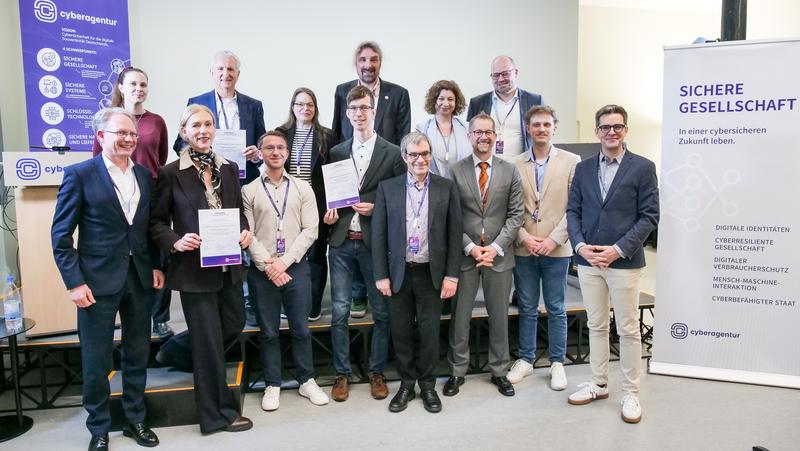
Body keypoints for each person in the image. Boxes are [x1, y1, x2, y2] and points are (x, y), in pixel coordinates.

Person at [52, 108, 162, 451]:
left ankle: (135, 419)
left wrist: (156, 266)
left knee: (137, 352)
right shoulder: (79, 175)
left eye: (132, 134)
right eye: (121, 133)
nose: (129, 139)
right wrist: (74, 282)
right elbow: (61, 237)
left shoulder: (143, 175)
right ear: (101, 136)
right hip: (95, 282)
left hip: (139, 278)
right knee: (96, 358)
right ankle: (98, 427)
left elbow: (146, 229)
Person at [150, 104, 254, 434]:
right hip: (194, 270)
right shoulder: (170, 173)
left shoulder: (228, 168)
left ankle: (175, 351)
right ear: (184, 132)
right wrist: (175, 241)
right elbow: (155, 223)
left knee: (234, 323)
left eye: (208, 124)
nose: (203, 130)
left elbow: (237, 213)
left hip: (228, 266)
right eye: (195, 125)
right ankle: (216, 416)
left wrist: (244, 231)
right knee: (208, 343)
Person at [566, 104, 659, 424]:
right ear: (597, 131)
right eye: (605, 127)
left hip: (624, 262)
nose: (611, 132)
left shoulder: (643, 167)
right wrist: (580, 246)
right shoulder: (583, 168)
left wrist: (618, 250)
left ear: (626, 130)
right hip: (589, 259)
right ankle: (599, 383)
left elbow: (650, 216)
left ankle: (631, 392)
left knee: (628, 329)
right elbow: (573, 211)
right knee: (596, 325)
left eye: (617, 126)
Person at [323, 85, 405, 402]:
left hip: (375, 244)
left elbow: (401, 200)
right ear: (347, 113)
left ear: (374, 111)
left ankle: (376, 371)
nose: (359, 113)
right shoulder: (336, 152)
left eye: (364, 108)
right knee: (340, 312)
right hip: (341, 242)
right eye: (354, 108)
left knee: (382, 312)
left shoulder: (393, 152)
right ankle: (342, 373)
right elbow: (328, 196)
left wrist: (378, 209)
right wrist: (329, 214)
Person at [372, 132, 463, 413]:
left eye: (425, 153)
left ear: (430, 155)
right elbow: (378, 234)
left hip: (431, 274)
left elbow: (455, 234)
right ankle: (406, 384)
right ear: (404, 157)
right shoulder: (388, 188)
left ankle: (427, 385)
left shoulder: (446, 187)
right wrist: (381, 275)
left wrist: (452, 276)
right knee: (401, 332)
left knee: (429, 332)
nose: (420, 159)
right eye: (413, 154)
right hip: (398, 274)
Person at [243, 130, 329, 411]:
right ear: (260, 153)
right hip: (262, 270)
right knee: (268, 332)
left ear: (287, 153)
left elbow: (311, 230)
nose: (276, 152)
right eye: (269, 148)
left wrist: (284, 262)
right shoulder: (249, 191)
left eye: (281, 147)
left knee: (301, 329)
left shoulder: (303, 188)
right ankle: (273, 384)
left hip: (296, 268)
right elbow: (247, 233)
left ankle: (307, 380)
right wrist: (269, 265)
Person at [445, 113, 524, 397]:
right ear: (469, 136)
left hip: (498, 256)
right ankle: (457, 371)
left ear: (495, 136)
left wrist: (494, 248)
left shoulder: (510, 171)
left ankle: (500, 371)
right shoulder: (455, 171)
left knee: (499, 317)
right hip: (465, 256)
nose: (483, 137)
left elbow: (516, 216)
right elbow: (450, 216)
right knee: (460, 318)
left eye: (488, 132)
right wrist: (470, 247)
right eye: (477, 132)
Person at [92, 66, 173, 339]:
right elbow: (97, 159)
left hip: (151, 195)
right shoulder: (107, 119)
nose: (139, 89)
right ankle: (122, 313)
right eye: (133, 84)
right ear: (121, 87)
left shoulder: (156, 121)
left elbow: (160, 158)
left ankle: (160, 318)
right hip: (118, 198)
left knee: (158, 255)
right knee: (126, 255)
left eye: (143, 85)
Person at [332, 41, 411, 318]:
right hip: (349, 172)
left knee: (375, 241)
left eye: (373, 59)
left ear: (380, 62)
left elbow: (403, 136)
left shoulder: (398, 93)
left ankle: (375, 293)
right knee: (349, 232)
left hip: (383, 170)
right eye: (363, 60)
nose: (368, 64)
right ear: (356, 63)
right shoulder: (342, 91)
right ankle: (357, 295)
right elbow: (337, 132)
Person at [506, 106, 580, 390]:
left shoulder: (571, 162)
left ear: (554, 128)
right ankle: (526, 359)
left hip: (556, 248)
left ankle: (557, 362)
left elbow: (575, 207)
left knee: (556, 307)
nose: (541, 129)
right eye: (536, 124)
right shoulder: (514, 164)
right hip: (525, 247)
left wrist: (553, 239)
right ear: (528, 128)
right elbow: (510, 208)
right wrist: (524, 237)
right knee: (527, 307)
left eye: (546, 124)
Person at [275, 88, 336, 321]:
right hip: (287, 205)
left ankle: (313, 304)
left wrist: (333, 205)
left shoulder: (327, 136)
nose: (305, 108)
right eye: (300, 104)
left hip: (317, 205)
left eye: (310, 104)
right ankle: (288, 302)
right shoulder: (281, 133)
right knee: (289, 254)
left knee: (316, 257)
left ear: (315, 108)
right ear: (293, 107)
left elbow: (334, 174)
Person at [466, 56, 544, 161]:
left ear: (515, 72)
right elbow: (470, 138)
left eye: (505, 74)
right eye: (496, 75)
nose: (501, 79)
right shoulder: (477, 103)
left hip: (521, 166)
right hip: (486, 167)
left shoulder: (534, 101)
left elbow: (542, 135)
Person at [415, 80, 472, 179]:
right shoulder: (422, 129)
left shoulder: (467, 128)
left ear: (456, 102)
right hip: (433, 183)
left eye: (450, 99)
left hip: (461, 183)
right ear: (434, 101)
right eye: (441, 99)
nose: (446, 103)